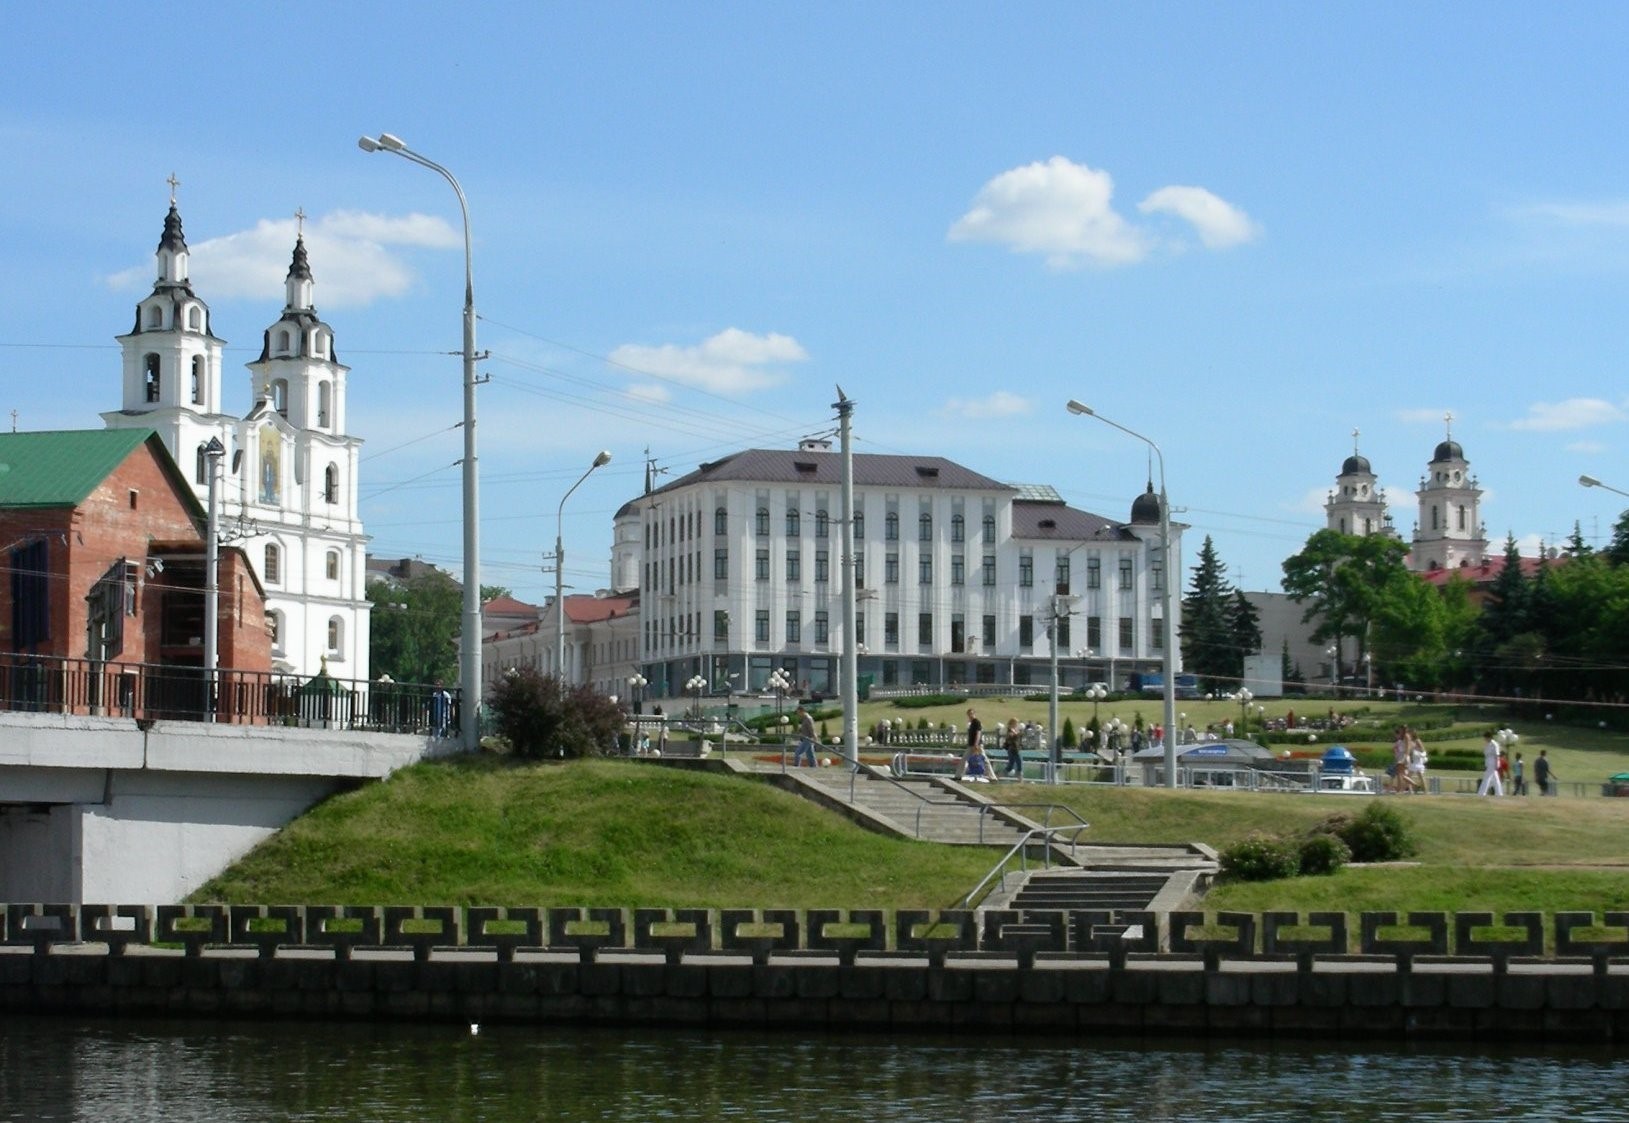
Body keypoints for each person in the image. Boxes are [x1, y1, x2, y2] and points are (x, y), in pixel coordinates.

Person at [1477, 730, 1504, 797]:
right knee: (1495, 779)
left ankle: (1482, 793)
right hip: (1488, 761)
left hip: (1493, 762)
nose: (1485, 739)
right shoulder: (1487, 744)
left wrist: (1497, 764)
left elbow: (1497, 755)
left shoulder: (1495, 744)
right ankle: (1499, 793)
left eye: (1485, 737)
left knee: (1487, 777)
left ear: (1489, 737)